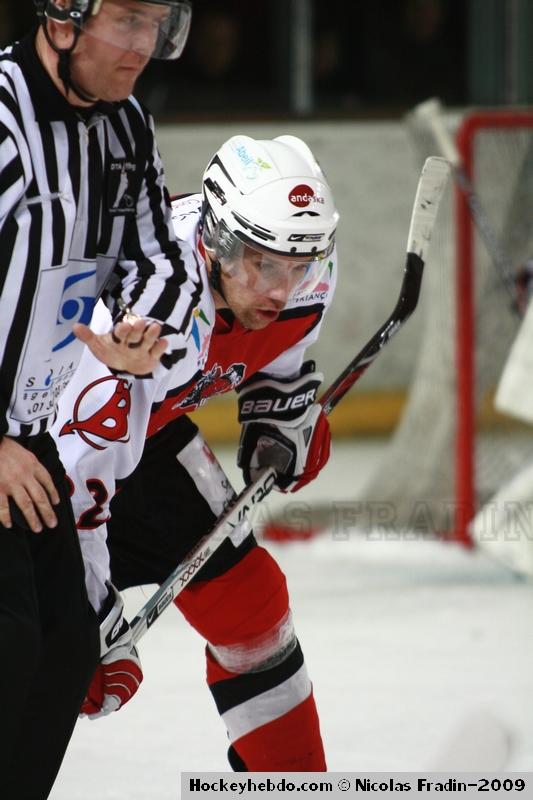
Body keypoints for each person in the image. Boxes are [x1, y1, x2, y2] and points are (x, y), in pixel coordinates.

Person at [52, 133, 339, 770]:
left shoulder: (307, 274)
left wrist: (280, 407)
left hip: (143, 433)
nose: (282, 290)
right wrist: (82, 611)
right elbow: (77, 469)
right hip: (44, 450)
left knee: (251, 605)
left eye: (298, 266)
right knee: (32, 647)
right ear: (215, 245)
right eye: (263, 265)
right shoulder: (151, 315)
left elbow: (276, 354)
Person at [0, 0, 196, 796]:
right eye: (126, 20)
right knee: (10, 642)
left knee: (66, 646)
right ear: (63, 16)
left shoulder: (124, 128)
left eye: (157, 24)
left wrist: (143, 326)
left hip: (27, 436)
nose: (143, 46)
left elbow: (160, 257)